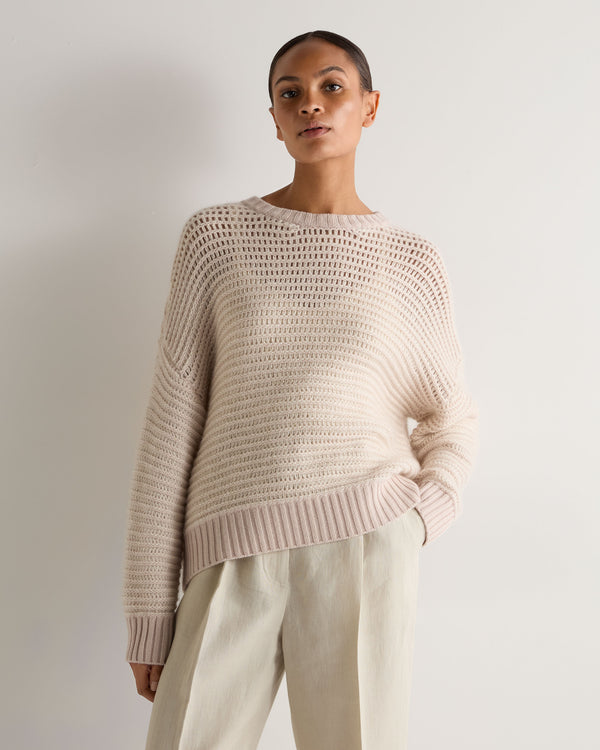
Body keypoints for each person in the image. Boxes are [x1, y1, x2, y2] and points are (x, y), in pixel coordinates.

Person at [122, 29, 479, 750]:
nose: (310, 103)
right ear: (275, 118)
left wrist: (417, 519)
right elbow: (172, 420)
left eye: (331, 86)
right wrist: (149, 607)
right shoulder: (216, 239)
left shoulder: (410, 261)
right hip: (229, 553)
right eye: (290, 93)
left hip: (364, 544)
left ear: (369, 106)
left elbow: (452, 418)